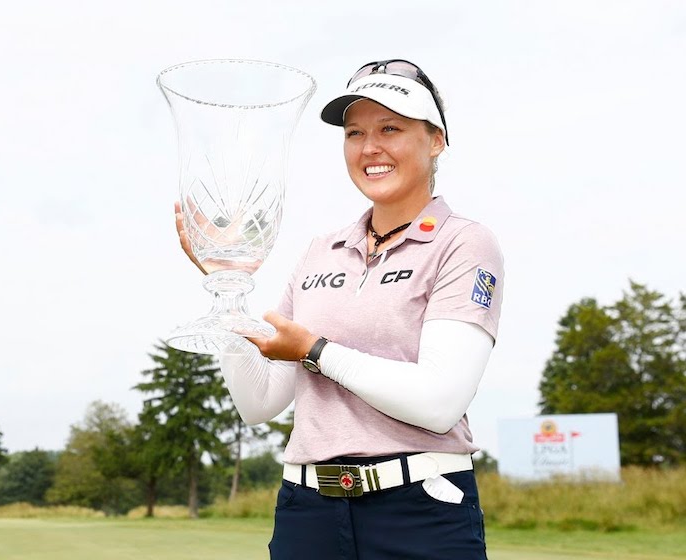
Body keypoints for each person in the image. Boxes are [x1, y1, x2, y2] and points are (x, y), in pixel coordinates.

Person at [175, 59, 504, 560]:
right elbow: (258, 402)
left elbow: (439, 404)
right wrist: (227, 285)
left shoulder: (465, 243)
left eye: (390, 128)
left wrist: (315, 351)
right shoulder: (318, 251)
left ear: (435, 139)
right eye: (355, 133)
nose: (370, 147)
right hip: (307, 512)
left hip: (418, 510)